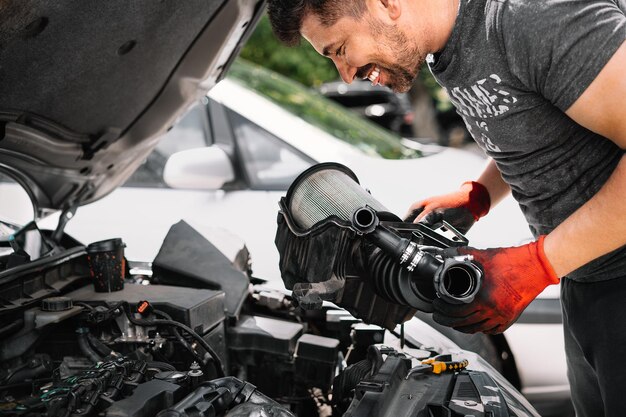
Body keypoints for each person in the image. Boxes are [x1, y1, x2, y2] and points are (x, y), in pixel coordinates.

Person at [266, 0, 626, 415]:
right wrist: (480, 194)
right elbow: (534, 118)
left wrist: (538, 263)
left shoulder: (531, 16)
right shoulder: (448, 48)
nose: (345, 75)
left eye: (341, 49)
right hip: (587, 281)